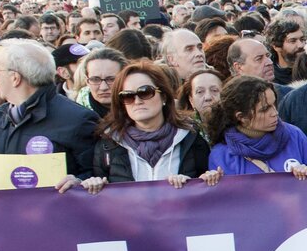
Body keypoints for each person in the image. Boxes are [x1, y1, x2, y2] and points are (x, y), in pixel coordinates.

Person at [0, 39, 99, 195]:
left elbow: (98, 173)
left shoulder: (78, 119)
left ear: (15, 78)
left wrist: (78, 182)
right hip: (4, 215)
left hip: (56, 214)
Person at [79, 61, 220, 193]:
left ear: (164, 97)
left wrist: (205, 180)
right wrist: (91, 184)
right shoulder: (108, 144)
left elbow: (205, 190)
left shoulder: (191, 137)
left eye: (145, 92)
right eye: (127, 96)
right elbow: (101, 199)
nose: (137, 101)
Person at [205, 76, 307, 178]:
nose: (275, 113)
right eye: (265, 109)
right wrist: (211, 180)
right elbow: (227, 201)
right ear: (241, 117)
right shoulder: (222, 155)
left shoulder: (294, 135)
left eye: (274, 104)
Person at [228, 38, 292, 97]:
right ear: (239, 67)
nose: (269, 62)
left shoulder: (289, 95)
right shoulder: (229, 102)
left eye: (267, 56)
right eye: (259, 58)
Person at [78, 47, 128, 119]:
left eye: (111, 79)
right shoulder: (77, 117)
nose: (103, 87)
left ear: (125, 79)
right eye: (95, 79)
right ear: (87, 82)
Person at [177, 68, 226, 142]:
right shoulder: (183, 134)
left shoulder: (239, 125)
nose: (208, 97)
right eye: (200, 92)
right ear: (191, 100)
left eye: (214, 90)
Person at [264, 14, 307, 86]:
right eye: (292, 41)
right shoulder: (269, 76)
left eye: (302, 39)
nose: (301, 45)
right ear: (276, 46)